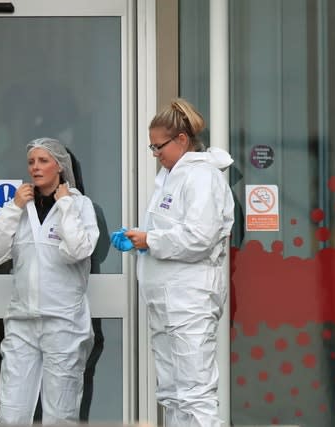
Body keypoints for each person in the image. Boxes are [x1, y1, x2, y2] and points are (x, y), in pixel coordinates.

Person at [117, 98, 234, 427]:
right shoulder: (172, 177)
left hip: (190, 300)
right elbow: (172, 232)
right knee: (173, 392)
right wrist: (141, 238)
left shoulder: (201, 178)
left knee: (195, 393)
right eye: (152, 148)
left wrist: (149, 240)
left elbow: (199, 237)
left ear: (182, 140)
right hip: (168, 301)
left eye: (159, 147)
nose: (156, 155)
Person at [0, 137, 99, 425]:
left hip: (64, 323)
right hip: (22, 322)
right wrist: (14, 208)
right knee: (11, 413)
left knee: (61, 413)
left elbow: (78, 250)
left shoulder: (80, 206)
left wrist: (66, 204)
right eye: (31, 161)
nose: (35, 167)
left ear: (60, 166)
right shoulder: (20, 206)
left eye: (43, 161)